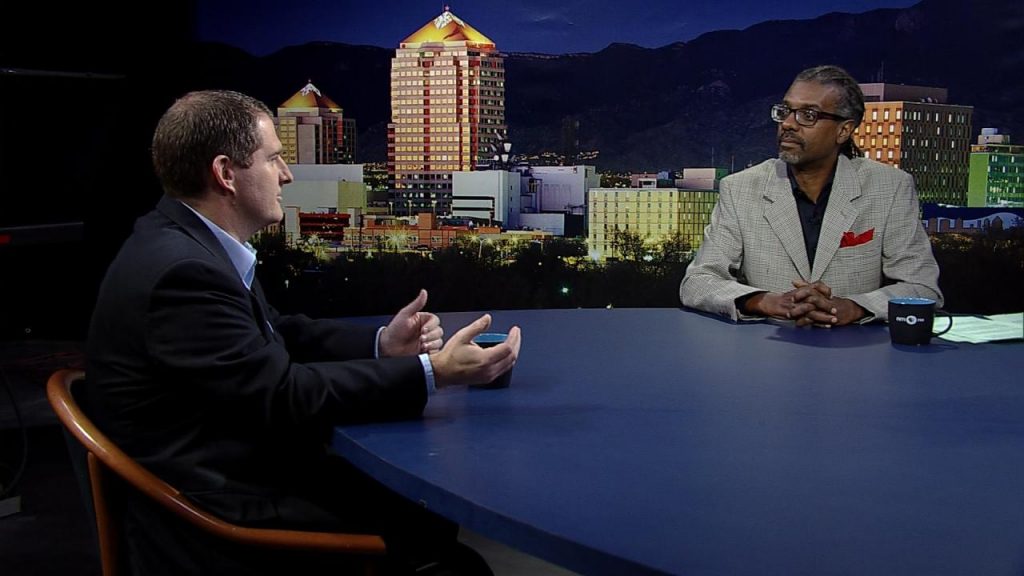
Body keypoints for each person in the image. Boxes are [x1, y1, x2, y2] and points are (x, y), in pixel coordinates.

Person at [86, 89, 521, 575]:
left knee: (431, 520)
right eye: (274, 160)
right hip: (217, 514)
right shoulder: (182, 273)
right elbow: (282, 396)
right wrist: (432, 372)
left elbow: (278, 333)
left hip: (231, 468)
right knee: (448, 552)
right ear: (226, 174)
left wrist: (382, 344)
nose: (288, 175)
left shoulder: (182, 243)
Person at [679, 65, 942, 326]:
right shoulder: (741, 189)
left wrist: (854, 307)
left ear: (844, 130)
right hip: (766, 353)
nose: (788, 124)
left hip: (855, 354)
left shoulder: (890, 187)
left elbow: (921, 287)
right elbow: (698, 282)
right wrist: (762, 301)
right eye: (785, 111)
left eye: (808, 115)